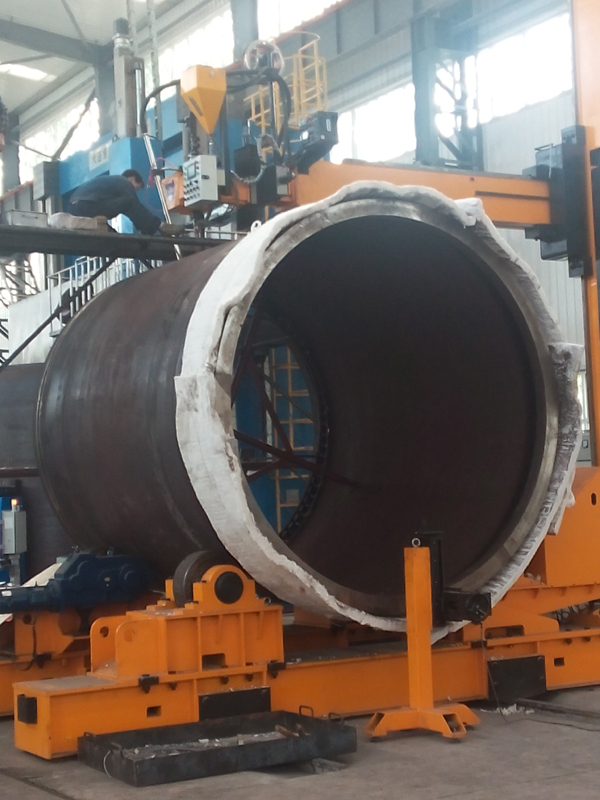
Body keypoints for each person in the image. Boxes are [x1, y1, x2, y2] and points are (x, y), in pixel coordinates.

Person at [68, 169, 164, 235]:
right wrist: (153, 224)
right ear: (131, 178)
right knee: (130, 201)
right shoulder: (124, 182)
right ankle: (158, 225)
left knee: (113, 237)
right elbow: (133, 204)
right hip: (86, 204)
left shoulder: (111, 183)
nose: (134, 192)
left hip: (75, 206)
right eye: (136, 188)